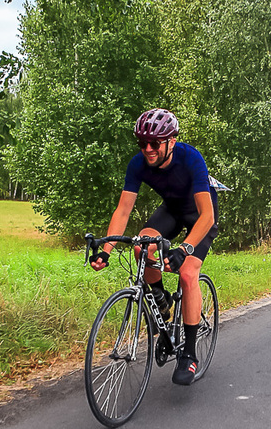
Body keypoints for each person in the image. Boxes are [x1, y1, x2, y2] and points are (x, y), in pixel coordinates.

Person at [89, 108, 218, 386]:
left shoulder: (190, 158)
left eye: (154, 143)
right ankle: (162, 300)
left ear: (171, 141)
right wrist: (106, 250)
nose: (148, 149)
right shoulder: (138, 164)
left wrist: (184, 249)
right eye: (142, 143)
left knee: (187, 274)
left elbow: (207, 216)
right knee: (141, 246)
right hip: (171, 210)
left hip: (200, 215)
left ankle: (189, 354)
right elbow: (123, 211)